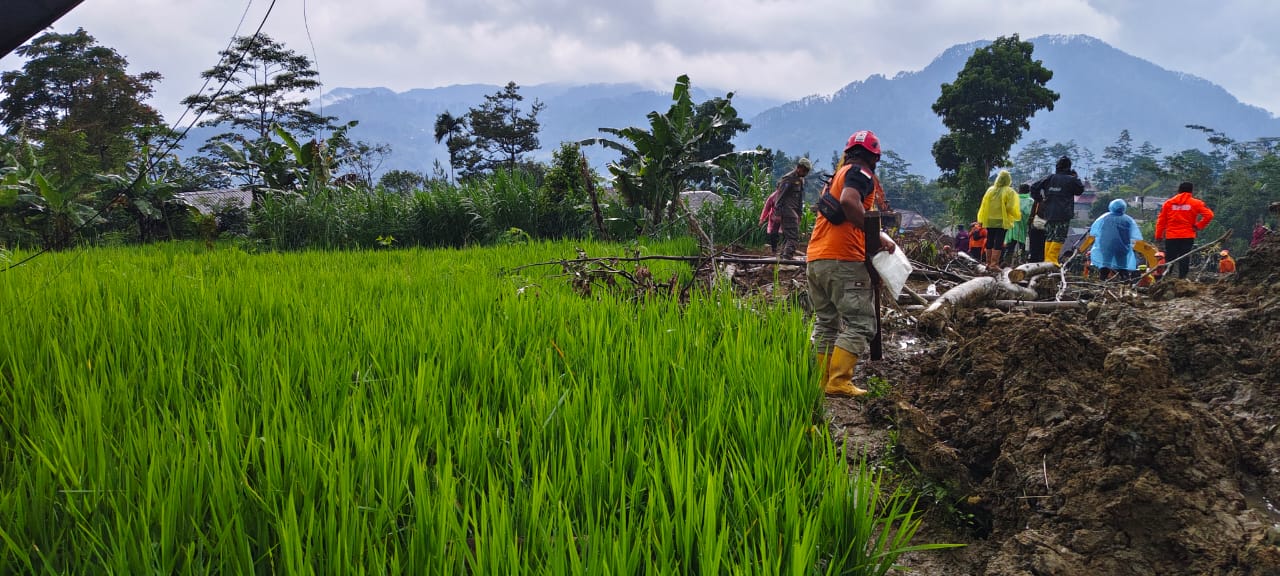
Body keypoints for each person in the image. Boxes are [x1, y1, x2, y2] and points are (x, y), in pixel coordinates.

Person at [807, 130, 896, 397]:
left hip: (816, 259)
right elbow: (849, 202)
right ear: (874, 157)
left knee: (826, 322)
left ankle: (822, 381)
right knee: (861, 323)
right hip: (843, 260)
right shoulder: (861, 174)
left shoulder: (836, 177)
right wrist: (877, 235)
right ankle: (839, 381)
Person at [1030, 156, 1085, 265]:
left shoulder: (1049, 178)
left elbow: (1034, 187)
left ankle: (1047, 260)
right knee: (1059, 236)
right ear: (1069, 167)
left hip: (1049, 212)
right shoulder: (1071, 179)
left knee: (1050, 236)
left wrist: (1040, 199)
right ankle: (1052, 260)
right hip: (1063, 213)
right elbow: (1079, 190)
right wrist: (1075, 177)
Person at [1155, 181, 1215, 279]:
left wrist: (1158, 236)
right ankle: (1182, 279)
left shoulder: (1168, 203)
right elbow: (1209, 215)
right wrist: (1198, 226)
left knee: (1170, 258)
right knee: (1185, 257)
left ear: (1179, 190)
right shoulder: (1196, 203)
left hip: (1171, 236)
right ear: (1191, 191)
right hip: (1187, 236)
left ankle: (1167, 277)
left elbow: (1161, 221)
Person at [976, 170, 1022, 271]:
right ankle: (994, 263)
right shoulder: (1009, 191)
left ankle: (987, 263)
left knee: (990, 239)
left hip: (989, 219)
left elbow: (983, 205)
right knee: (999, 240)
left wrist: (981, 218)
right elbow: (1011, 207)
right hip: (1001, 220)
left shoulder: (990, 190)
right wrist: (1017, 214)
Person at [1087, 199, 1142, 280]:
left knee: (1105, 264)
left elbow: (1095, 231)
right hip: (1122, 247)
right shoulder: (1128, 220)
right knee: (1122, 265)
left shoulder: (1104, 218)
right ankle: (1125, 281)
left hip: (1106, 246)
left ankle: (1102, 280)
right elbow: (1134, 235)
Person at [774, 157, 812, 259]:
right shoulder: (788, 178)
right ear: (799, 168)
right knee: (793, 237)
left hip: (794, 212)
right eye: (805, 171)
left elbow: (799, 200)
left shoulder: (800, 180)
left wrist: (799, 215)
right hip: (787, 212)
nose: (806, 174)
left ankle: (782, 257)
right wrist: (777, 214)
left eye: (807, 172)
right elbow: (780, 197)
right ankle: (787, 257)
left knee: (788, 237)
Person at [1003, 182, 1034, 266]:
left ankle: (1006, 264)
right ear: (1029, 191)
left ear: (1019, 190)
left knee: (1010, 247)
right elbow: (1030, 214)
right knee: (1023, 247)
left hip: (1012, 228)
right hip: (1024, 227)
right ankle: (1022, 264)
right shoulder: (1030, 201)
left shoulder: (1013, 199)